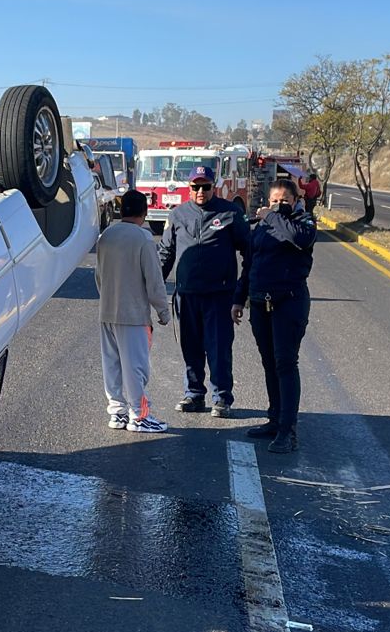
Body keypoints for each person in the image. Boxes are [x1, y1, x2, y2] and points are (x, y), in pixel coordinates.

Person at [159, 165, 250, 418]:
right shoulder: (177, 215)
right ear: (189, 188)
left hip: (219, 296)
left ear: (214, 186)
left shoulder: (231, 212)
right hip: (186, 295)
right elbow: (165, 254)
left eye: (205, 186)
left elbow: (250, 252)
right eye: (195, 187)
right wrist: (153, 291)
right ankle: (194, 395)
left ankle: (221, 398)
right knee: (191, 348)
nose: (200, 191)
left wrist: (241, 294)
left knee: (219, 348)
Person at [240, 178, 317, 454]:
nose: (278, 204)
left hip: (289, 303)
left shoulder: (303, 223)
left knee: (285, 363)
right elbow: (250, 264)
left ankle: (288, 430)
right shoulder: (262, 227)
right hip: (261, 304)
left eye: (285, 200)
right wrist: (240, 299)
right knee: (269, 363)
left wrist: (272, 215)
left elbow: (298, 239)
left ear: (296, 202)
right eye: (274, 200)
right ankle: (274, 420)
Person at [96, 190, 172, 433]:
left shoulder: (106, 236)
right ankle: (140, 415)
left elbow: (99, 276)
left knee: (112, 366)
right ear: (145, 212)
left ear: (121, 209)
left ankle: (117, 412)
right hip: (133, 314)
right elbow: (154, 279)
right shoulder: (143, 238)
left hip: (107, 311)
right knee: (135, 367)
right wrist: (163, 311)